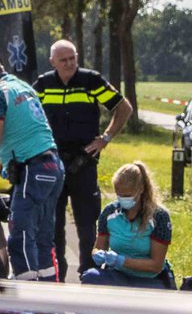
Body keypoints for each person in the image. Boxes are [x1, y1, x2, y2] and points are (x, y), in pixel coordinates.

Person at [33, 39, 134, 281]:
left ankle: (90, 275)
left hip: (84, 162)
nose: (69, 64)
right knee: (53, 224)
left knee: (88, 224)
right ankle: (57, 276)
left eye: (72, 58)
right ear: (52, 62)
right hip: (53, 163)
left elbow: (124, 108)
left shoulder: (91, 80)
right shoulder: (44, 84)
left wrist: (105, 138)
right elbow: (27, 112)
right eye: (63, 60)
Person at [0, 51, 64, 281]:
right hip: (53, 165)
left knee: (20, 236)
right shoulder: (22, 86)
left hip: (32, 168)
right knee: (43, 237)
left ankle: (26, 293)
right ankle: (48, 290)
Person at [82, 162, 174, 314]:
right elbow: (98, 246)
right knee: (91, 277)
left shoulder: (159, 217)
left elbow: (156, 265)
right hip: (119, 277)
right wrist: (98, 255)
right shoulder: (109, 212)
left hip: (149, 281)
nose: (123, 199)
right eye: (119, 195)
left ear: (141, 190)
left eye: (127, 195)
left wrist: (121, 260)